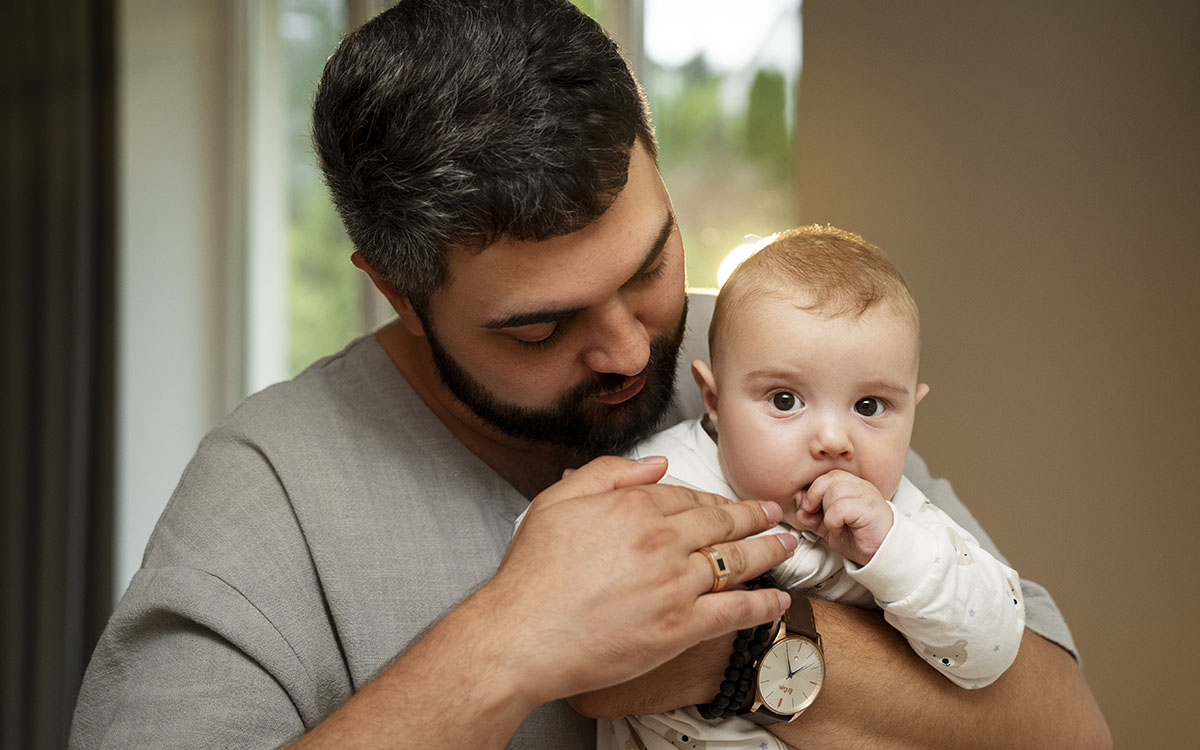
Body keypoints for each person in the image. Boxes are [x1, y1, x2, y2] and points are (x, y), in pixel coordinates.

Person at [69, 1, 1110, 748]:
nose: (627, 349)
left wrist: (736, 658)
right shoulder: (270, 490)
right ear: (397, 292)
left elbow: (1067, 731)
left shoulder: (766, 376)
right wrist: (511, 641)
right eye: (539, 326)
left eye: (651, 265)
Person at [596, 226, 1024, 749]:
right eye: (783, 400)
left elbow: (990, 651)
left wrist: (893, 552)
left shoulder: (902, 518)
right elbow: (559, 566)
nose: (832, 439)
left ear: (913, 408)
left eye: (869, 406)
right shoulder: (665, 473)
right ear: (714, 401)